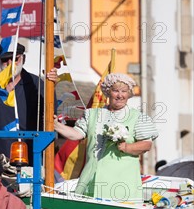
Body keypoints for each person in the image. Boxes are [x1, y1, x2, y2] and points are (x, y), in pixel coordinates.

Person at [54, 73, 159, 201]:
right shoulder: (92, 114)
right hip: (91, 177)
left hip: (122, 180)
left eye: (124, 91)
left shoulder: (138, 117)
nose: (120, 95)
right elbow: (77, 134)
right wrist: (56, 126)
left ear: (129, 94)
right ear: (108, 92)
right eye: (115, 91)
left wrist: (127, 147)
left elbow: (146, 144)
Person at [0, 41, 57, 164]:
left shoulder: (38, 86)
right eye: (5, 60)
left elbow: (51, 119)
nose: (10, 64)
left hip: (31, 161)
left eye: (15, 59)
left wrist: (52, 86)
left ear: (23, 59)